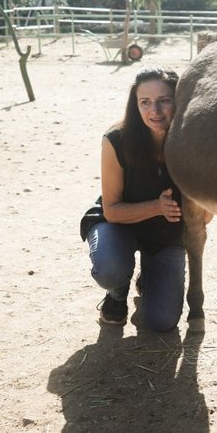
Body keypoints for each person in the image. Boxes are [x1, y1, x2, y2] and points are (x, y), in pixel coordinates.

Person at [79, 67, 185, 331]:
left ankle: (147, 276)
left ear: (179, 100)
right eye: (145, 102)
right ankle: (116, 295)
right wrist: (156, 207)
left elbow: (205, 216)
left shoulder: (193, 142)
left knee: (161, 323)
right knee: (111, 268)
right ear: (135, 105)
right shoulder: (116, 139)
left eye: (164, 100)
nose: (155, 111)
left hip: (167, 236)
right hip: (119, 225)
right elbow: (112, 210)